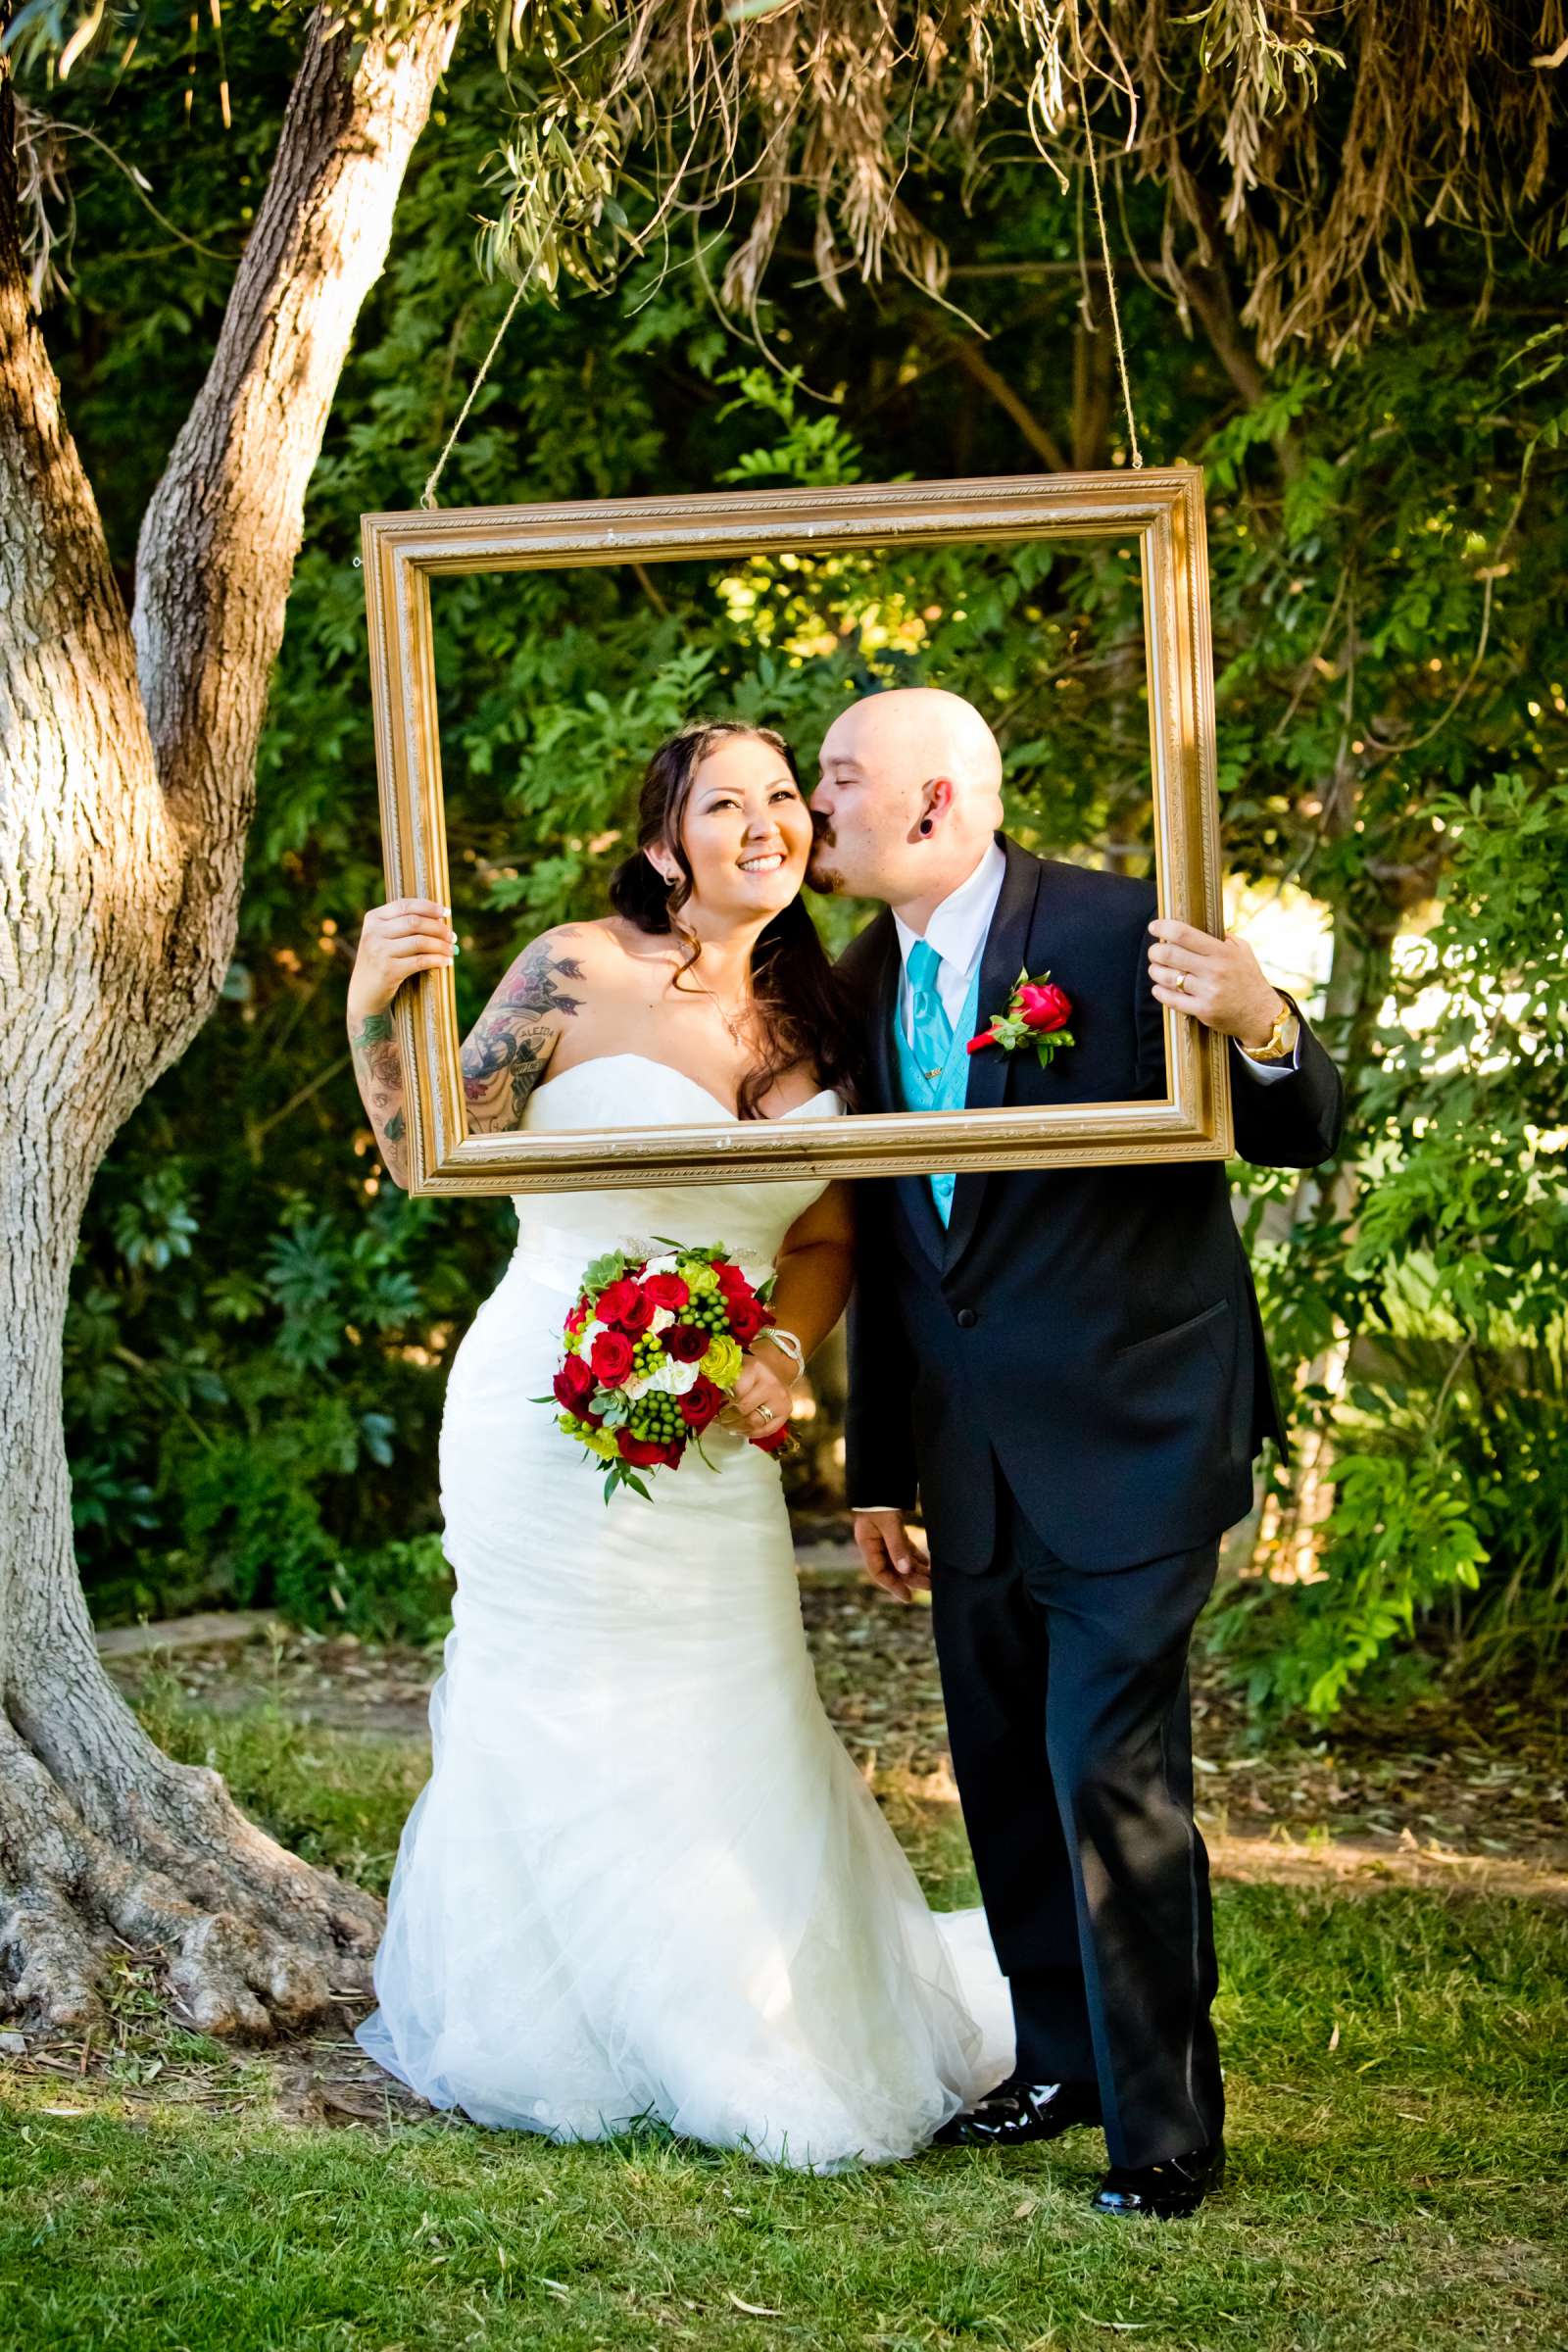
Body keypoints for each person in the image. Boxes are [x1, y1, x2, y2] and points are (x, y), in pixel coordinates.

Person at [344, 718, 1012, 2169]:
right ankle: (561, 2026)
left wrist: (780, 1350)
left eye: (787, 797)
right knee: (552, 1699)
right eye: (729, 802)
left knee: (734, 1703)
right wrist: (367, 1004)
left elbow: (832, 1232)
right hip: (540, 1404)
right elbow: (423, 1155)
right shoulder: (570, 971)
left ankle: (754, 2017)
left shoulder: (834, 1015)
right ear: (666, 845)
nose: (769, 821)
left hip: (716, 1441)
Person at [810, 686, 1345, 2220]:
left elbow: (1302, 1126)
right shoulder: (856, 985)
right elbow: (915, 1248)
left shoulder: (1123, 934)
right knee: (999, 1769)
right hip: (969, 1462)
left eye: (841, 780)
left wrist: (1260, 1021)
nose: (816, 806)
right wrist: (877, 1471)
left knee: (1108, 1773)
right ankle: (1056, 2061)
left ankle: (1165, 2131)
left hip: (1135, 1434)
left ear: (932, 803)